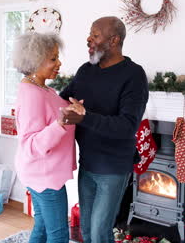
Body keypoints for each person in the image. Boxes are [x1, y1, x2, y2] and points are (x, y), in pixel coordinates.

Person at [60, 16, 149, 243]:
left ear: (114, 40)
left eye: (95, 35)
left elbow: (127, 126)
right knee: (87, 232)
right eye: (90, 33)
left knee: (99, 233)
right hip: (87, 163)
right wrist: (35, 85)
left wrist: (85, 117)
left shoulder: (134, 75)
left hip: (113, 167)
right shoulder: (85, 71)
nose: (89, 39)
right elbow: (61, 100)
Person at [13, 32, 76, 243]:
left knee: (41, 226)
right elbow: (32, 143)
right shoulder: (32, 93)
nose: (59, 63)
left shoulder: (42, 88)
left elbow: (53, 111)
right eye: (53, 59)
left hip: (43, 172)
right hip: (45, 175)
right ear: (35, 60)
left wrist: (71, 108)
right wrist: (61, 123)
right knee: (58, 235)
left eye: (57, 57)